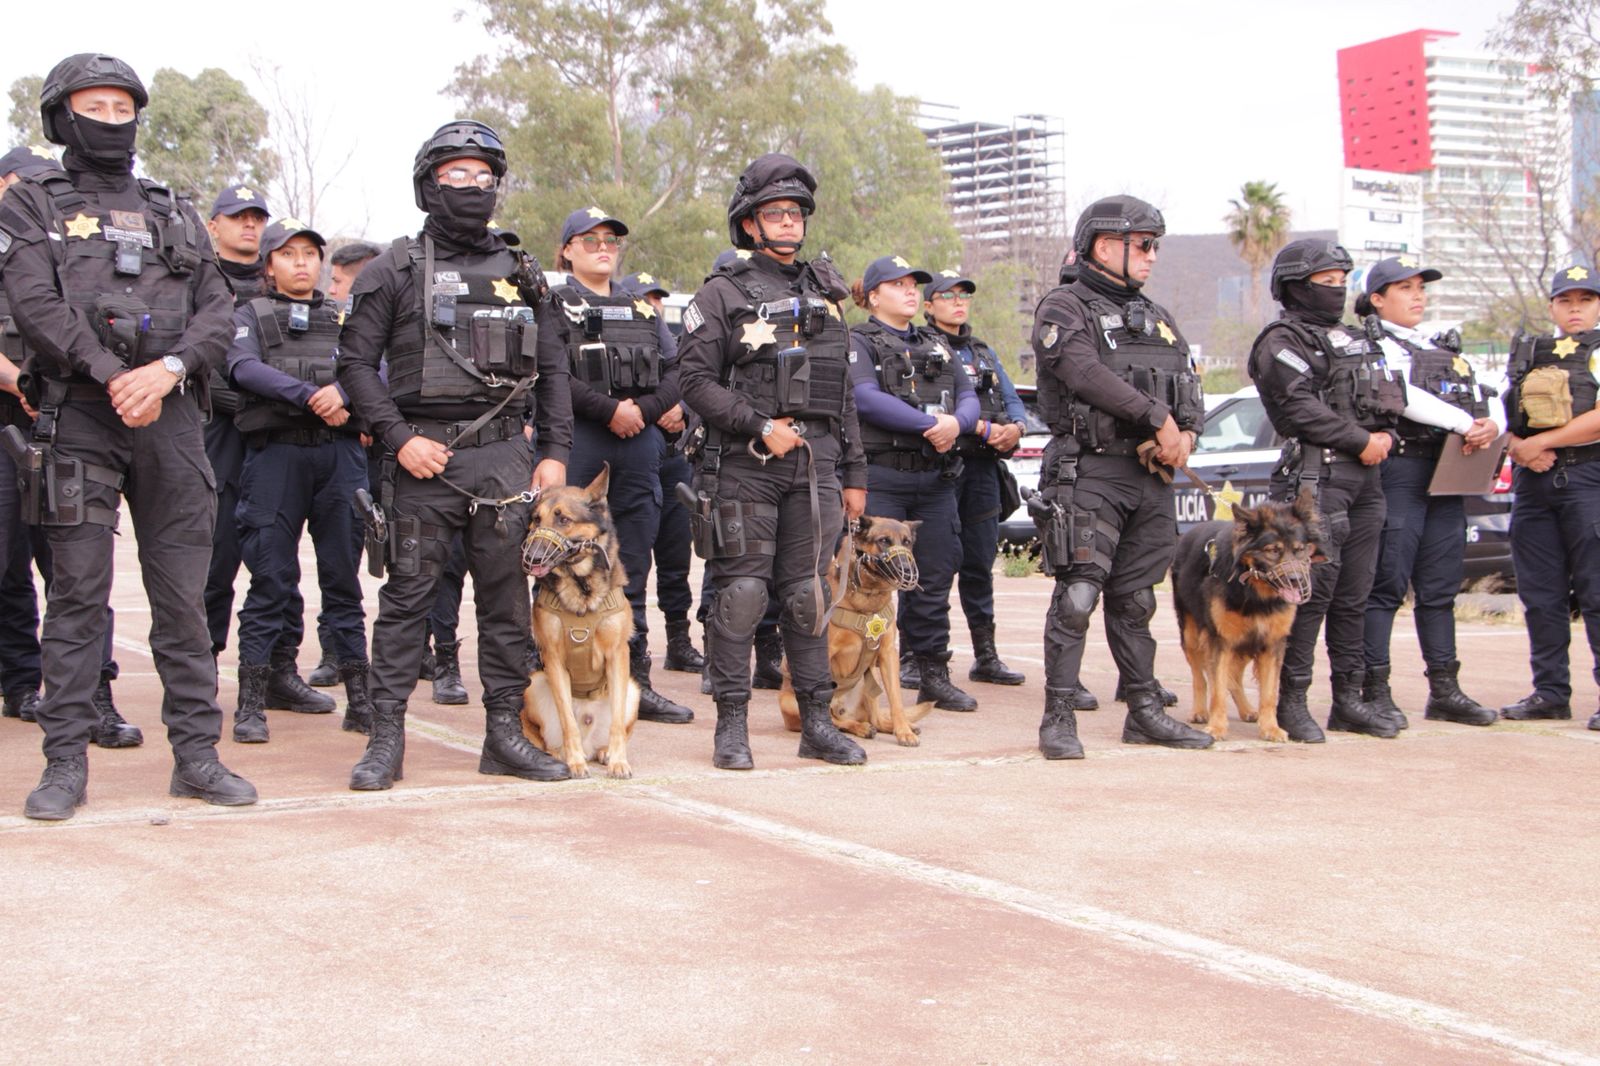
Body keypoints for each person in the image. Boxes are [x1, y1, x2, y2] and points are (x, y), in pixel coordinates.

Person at [0, 53, 257, 818]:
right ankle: (64, 764)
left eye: (123, 108)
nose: (113, 121)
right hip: (80, 417)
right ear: (62, 117)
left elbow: (218, 308)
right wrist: (115, 374)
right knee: (77, 597)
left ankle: (198, 758)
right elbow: (36, 305)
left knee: (182, 597)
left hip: (170, 418)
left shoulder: (171, 207)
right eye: (96, 108)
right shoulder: (32, 205)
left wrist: (168, 370)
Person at [336, 119, 573, 789]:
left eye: (483, 175)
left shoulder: (522, 270)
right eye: (455, 175)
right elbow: (354, 366)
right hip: (422, 460)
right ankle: (385, 739)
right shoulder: (394, 267)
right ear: (429, 186)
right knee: (406, 601)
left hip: (504, 463)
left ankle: (504, 736)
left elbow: (555, 367)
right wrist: (398, 438)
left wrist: (555, 450)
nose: (472, 186)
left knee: (505, 602)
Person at [678, 152, 867, 769]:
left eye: (795, 213)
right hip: (745, 464)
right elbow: (694, 382)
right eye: (775, 213)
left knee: (808, 596)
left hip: (817, 466)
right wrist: (758, 424)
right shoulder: (722, 292)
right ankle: (731, 727)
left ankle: (817, 725)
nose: (788, 222)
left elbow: (843, 392)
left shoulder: (827, 294)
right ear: (749, 223)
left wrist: (855, 473)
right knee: (741, 595)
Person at [1030, 195, 1213, 758]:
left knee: (1135, 601)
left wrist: (1186, 436)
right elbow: (1084, 372)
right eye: (1145, 245)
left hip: (1149, 476)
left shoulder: (1158, 317)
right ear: (1106, 246)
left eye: (1156, 246)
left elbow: (1190, 386)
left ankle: (1145, 712)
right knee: (1078, 595)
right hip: (1089, 470)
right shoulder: (1064, 307)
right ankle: (1058, 718)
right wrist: (1155, 417)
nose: (1153, 255)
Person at [1249, 239, 1407, 742]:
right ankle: (1290, 702)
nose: (1337, 290)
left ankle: (1349, 700)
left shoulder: (1357, 339)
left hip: (1366, 481)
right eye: (1326, 282)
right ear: (1296, 286)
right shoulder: (1280, 341)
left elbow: (1388, 397)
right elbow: (1298, 408)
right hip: (1315, 481)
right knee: (1308, 594)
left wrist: (1385, 436)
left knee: (1355, 595)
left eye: (1343, 281)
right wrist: (1361, 440)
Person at [0, 143, 133, 744]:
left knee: (78, 566)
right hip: (10, 421)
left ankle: (94, 694)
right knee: (9, 566)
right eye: (22, 183)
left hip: (70, 421)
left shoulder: (76, 253)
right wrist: (18, 381)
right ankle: (21, 682)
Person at [226, 218, 372, 743]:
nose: (301, 262)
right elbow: (241, 367)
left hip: (339, 459)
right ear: (269, 265)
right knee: (270, 579)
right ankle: (251, 704)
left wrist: (345, 393)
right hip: (276, 459)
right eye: (288, 254)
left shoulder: (346, 317)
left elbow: (376, 367)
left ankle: (361, 700)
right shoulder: (249, 314)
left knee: (343, 582)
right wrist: (311, 396)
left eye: (310, 253)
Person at [548, 209, 691, 724]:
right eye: (590, 240)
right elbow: (552, 374)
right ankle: (564, 682)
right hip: (581, 442)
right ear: (567, 250)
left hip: (640, 447)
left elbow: (678, 371)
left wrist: (642, 412)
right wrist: (610, 410)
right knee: (565, 568)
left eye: (610, 240)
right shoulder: (552, 305)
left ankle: (634, 681)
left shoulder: (641, 308)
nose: (603, 247)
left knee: (631, 570)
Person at [1356, 256, 1501, 727]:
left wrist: (1491, 424)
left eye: (1421, 287)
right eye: (1405, 288)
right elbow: (1402, 395)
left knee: (1439, 588)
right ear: (1377, 299)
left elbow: (1490, 392)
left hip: (1447, 473)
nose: (1418, 295)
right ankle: (1374, 690)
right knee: (1386, 585)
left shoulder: (1440, 345)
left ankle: (1445, 690)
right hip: (1400, 472)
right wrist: (1466, 423)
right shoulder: (1368, 345)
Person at [204, 184, 329, 714]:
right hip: (222, 434)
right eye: (238, 217)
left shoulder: (292, 293)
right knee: (216, 560)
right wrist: (259, 401)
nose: (249, 225)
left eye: (257, 217)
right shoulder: (200, 278)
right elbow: (210, 364)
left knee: (278, 564)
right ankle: (201, 670)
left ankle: (279, 669)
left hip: (282, 435)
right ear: (214, 225)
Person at [848, 256, 980, 712]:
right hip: (883, 477)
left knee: (934, 578)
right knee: (874, 579)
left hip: (935, 479)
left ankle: (931, 674)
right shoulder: (859, 341)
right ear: (873, 295)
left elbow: (968, 395)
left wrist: (956, 424)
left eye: (913, 285)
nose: (910, 291)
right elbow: (865, 399)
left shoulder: (935, 343)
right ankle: (859, 674)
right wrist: (931, 424)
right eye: (898, 284)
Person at [1502, 264, 1600, 731]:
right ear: (1552, 306)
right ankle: (1550, 693)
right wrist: (1516, 446)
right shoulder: (1529, 352)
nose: (1575, 308)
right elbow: (1503, 414)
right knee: (1541, 594)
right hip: (1534, 483)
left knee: (1597, 592)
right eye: (1566, 300)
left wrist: (1543, 442)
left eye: (1586, 299)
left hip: (1588, 477)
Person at [922, 269, 1029, 687]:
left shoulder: (981, 350)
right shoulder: (920, 345)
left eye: (963, 295)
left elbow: (1012, 398)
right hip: (939, 470)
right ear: (929, 305)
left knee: (979, 565)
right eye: (947, 296)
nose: (958, 303)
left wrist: (1015, 428)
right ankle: (919, 657)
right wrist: (982, 427)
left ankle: (986, 657)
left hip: (983, 470)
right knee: (933, 567)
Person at [622, 270, 705, 675]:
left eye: (657, 299)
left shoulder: (676, 344)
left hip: (674, 460)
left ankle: (678, 640)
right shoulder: (619, 342)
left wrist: (683, 410)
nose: (653, 306)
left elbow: (698, 386)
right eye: (644, 299)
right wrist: (657, 410)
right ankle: (630, 645)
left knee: (676, 558)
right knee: (632, 558)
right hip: (636, 458)